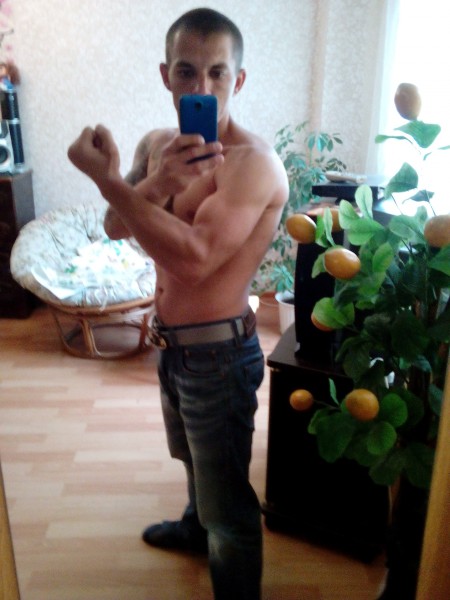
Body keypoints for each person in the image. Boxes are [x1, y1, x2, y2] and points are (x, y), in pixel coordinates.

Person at [68, 8, 288, 599]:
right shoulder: (161, 147)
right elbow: (117, 225)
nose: (202, 88)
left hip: (220, 356)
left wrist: (107, 179)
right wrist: (156, 180)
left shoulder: (254, 165)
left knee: (229, 510)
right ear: (166, 75)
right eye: (187, 71)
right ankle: (194, 530)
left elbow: (194, 259)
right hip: (170, 347)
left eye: (218, 73)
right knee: (192, 462)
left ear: (239, 80)